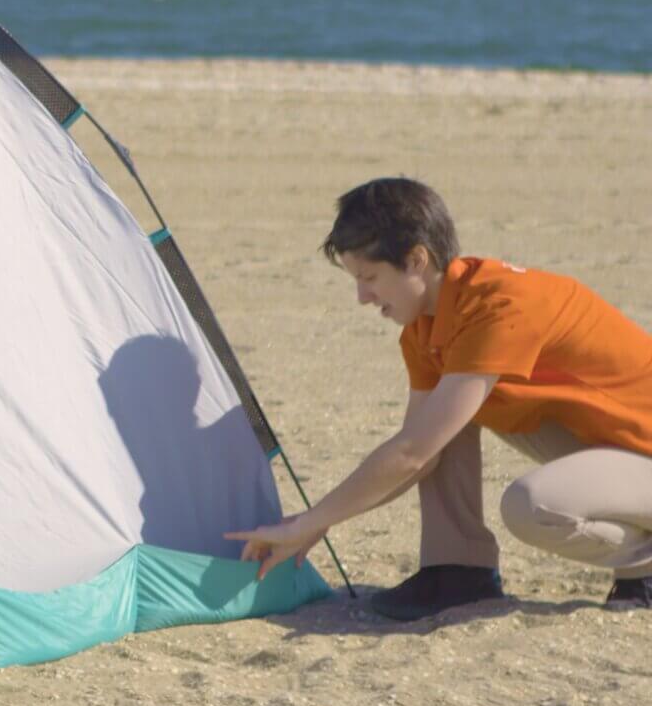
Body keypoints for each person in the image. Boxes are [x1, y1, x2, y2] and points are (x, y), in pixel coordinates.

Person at [228, 177, 652, 619]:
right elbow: (422, 453)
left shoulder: (499, 305)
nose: (361, 297)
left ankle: (644, 564)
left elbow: (411, 454)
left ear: (416, 259)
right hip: (619, 449)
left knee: (532, 506)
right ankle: (457, 571)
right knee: (444, 419)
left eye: (370, 278)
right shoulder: (426, 327)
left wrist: (309, 522)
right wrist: (316, 523)